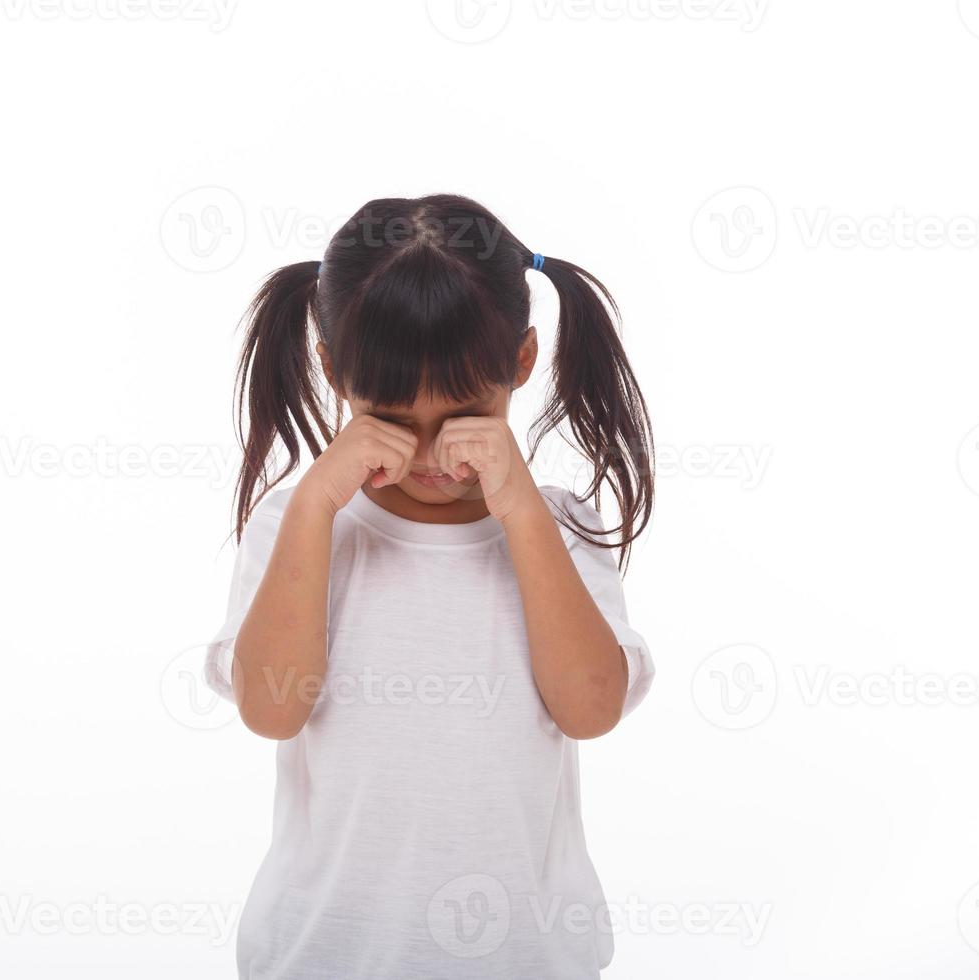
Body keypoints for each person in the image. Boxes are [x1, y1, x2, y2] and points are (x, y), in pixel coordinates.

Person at [205, 194, 657, 978]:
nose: (427, 455)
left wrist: (519, 509)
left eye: (465, 414)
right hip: (324, 955)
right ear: (330, 369)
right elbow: (273, 711)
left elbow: (589, 708)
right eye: (385, 417)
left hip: (525, 958)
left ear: (520, 363)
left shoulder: (561, 529)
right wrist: (316, 501)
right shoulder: (300, 527)